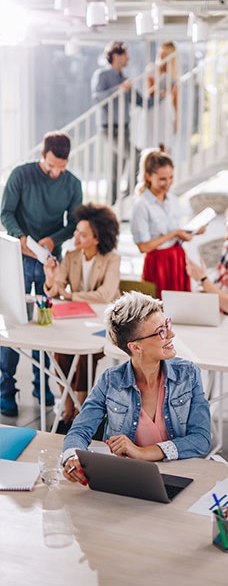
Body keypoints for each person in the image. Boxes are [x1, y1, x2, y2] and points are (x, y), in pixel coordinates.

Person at [61, 291, 211, 482]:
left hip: (178, 476)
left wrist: (143, 453)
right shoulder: (110, 381)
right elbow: (79, 431)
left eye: (167, 324)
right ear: (135, 347)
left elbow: (201, 439)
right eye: (161, 331)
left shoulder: (188, 374)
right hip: (125, 479)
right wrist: (72, 456)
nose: (171, 334)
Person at [0, 131, 82, 417]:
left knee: (46, 325)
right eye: (51, 167)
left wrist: (52, 240)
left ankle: (43, 384)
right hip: (18, 260)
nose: (56, 172)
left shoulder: (73, 184)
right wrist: (20, 237)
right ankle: (6, 389)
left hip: (49, 262)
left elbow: (73, 224)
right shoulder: (21, 176)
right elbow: (5, 212)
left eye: (61, 167)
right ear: (42, 157)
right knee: (15, 324)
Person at [43, 203, 121, 424]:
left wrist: (70, 296)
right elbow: (57, 288)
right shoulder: (71, 256)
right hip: (77, 321)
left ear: (97, 238)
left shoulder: (112, 259)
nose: (76, 238)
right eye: (76, 232)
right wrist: (51, 279)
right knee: (61, 353)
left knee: (85, 355)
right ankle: (68, 405)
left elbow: (105, 295)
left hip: (104, 323)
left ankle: (81, 407)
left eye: (83, 235)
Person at [130, 149, 204, 297]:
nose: (168, 183)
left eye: (171, 178)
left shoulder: (173, 200)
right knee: (158, 309)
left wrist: (189, 232)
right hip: (157, 264)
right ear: (148, 176)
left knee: (181, 307)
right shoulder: (141, 205)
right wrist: (174, 233)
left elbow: (174, 231)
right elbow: (143, 247)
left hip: (177, 259)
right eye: (163, 179)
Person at [91, 41, 142, 206]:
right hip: (109, 129)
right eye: (125, 55)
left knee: (115, 171)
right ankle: (127, 196)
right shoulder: (102, 75)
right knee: (137, 156)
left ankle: (112, 206)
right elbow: (98, 98)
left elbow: (141, 102)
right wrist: (118, 89)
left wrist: (160, 94)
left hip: (124, 129)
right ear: (115, 56)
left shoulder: (126, 79)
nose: (128, 58)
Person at [137, 41, 178, 153]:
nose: (161, 56)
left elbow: (175, 99)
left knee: (165, 143)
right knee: (152, 143)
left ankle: (165, 166)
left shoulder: (173, 73)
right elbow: (148, 92)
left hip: (166, 109)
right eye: (160, 53)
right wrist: (159, 88)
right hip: (154, 109)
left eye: (165, 54)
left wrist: (176, 120)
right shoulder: (151, 68)